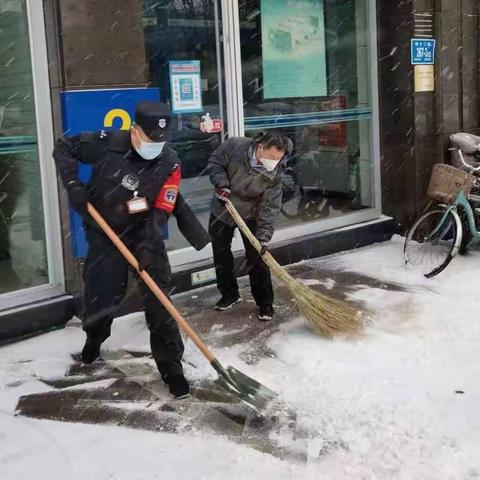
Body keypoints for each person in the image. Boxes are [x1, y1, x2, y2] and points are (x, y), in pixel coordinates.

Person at [53, 101, 209, 399]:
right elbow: (63, 147)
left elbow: (167, 198)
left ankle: (171, 368)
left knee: (160, 299)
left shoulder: (170, 160)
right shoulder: (104, 145)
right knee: (101, 292)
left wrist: (153, 232)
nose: (156, 146)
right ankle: (95, 338)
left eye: (161, 141)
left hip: (144, 231)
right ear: (135, 131)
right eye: (150, 140)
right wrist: (73, 184)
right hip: (105, 231)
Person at [208, 130, 292, 321]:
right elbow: (215, 162)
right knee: (221, 254)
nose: (274, 163)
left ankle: (265, 303)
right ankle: (229, 294)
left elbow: (270, 206)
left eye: (277, 159)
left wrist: (263, 237)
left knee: (258, 258)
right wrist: (221, 182)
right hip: (222, 207)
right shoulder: (235, 146)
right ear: (260, 147)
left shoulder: (276, 171)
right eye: (271, 157)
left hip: (251, 213)